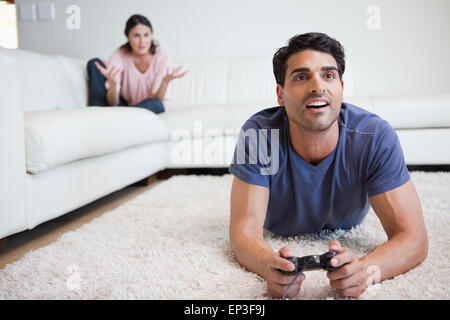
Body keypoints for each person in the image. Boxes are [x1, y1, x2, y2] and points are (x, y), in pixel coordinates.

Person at [228, 32, 428, 299]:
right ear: (280, 94)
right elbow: (244, 234)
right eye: (301, 76)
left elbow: (414, 238)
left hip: (347, 221)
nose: (317, 87)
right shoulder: (259, 135)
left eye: (328, 75)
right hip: (279, 226)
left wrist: (366, 270)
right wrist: (267, 264)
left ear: (341, 88)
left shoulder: (375, 137)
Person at [87, 14, 187, 113]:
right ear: (128, 37)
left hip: (146, 107)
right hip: (123, 108)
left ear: (151, 35)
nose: (142, 41)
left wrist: (164, 82)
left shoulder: (162, 57)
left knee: (157, 104)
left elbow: (158, 100)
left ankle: (116, 119)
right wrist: (113, 84)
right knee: (94, 63)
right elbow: (113, 103)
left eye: (146, 35)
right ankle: (114, 118)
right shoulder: (119, 56)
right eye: (136, 36)